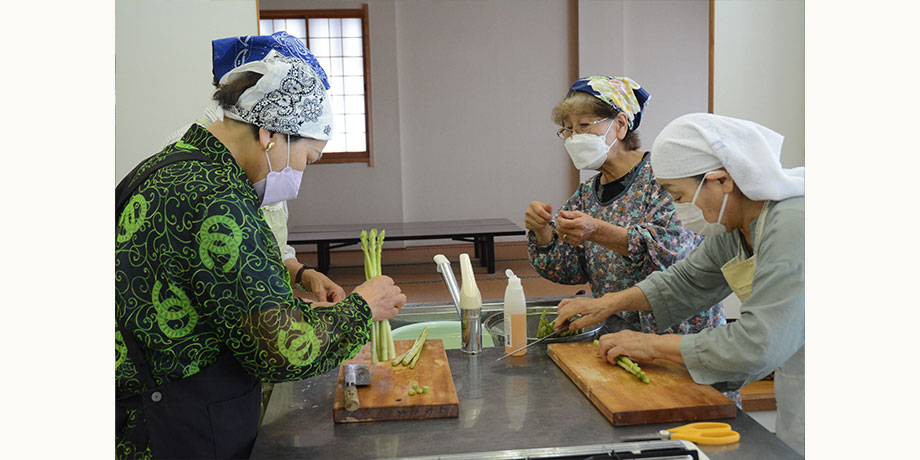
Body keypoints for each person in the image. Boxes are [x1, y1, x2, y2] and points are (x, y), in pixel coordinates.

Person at [115, 32, 406, 459]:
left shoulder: (164, 167)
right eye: (308, 158)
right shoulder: (220, 201)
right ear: (271, 133)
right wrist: (364, 306)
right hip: (176, 426)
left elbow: (220, 297)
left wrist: (298, 291)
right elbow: (281, 352)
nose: (301, 176)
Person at [555, 113, 805, 455]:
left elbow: (757, 343)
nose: (678, 209)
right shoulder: (737, 224)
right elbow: (687, 280)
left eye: (678, 196)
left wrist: (652, 346)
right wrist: (608, 303)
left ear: (721, 181)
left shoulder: (794, 224)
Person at [526, 76, 733, 401]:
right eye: (567, 130)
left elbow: (672, 253)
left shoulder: (662, 177)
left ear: (620, 125)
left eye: (583, 125)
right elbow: (569, 270)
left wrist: (597, 230)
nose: (573, 138)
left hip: (679, 336)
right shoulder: (586, 194)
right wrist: (543, 233)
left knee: (692, 423)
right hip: (620, 339)